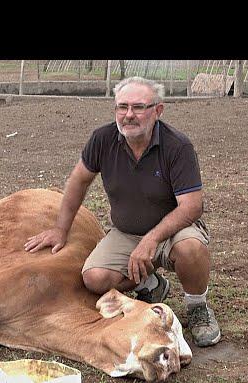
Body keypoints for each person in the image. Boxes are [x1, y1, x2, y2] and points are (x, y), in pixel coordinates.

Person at [24, 76, 220, 347]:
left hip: (174, 230)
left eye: (139, 107)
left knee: (191, 249)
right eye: (122, 107)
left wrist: (151, 240)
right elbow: (78, 181)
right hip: (127, 232)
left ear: (158, 111)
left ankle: (198, 307)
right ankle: (150, 285)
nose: (129, 115)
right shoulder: (103, 140)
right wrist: (60, 230)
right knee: (94, 278)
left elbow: (192, 206)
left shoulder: (178, 146)